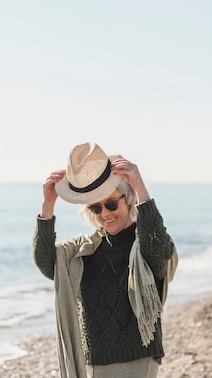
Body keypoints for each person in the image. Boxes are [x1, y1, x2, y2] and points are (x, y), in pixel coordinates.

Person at [33, 142, 178, 378]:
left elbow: (160, 250)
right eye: (95, 208)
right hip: (93, 361)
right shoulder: (83, 250)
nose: (105, 214)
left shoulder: (146, 243)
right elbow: (47, 262)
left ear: (128, 198)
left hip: (139, 359)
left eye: (111, 203)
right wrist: (47, 205)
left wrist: (140, 187)